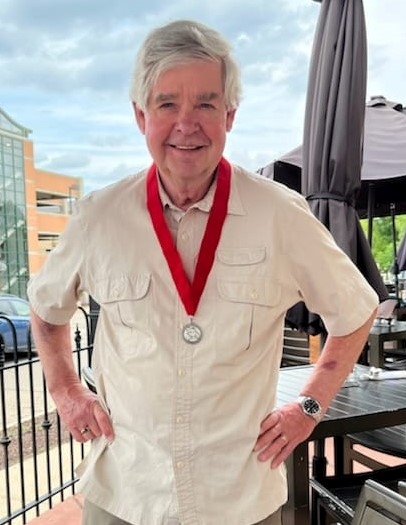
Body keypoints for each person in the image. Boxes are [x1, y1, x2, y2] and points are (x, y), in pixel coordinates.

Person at [27, 19, 378, 525]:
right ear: (140, 115)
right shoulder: (98, 219)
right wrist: (66, 391)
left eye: (206, 105)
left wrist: (309, 406)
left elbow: (356, 310)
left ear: (230, 114)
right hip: (126, 492)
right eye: (167, 104)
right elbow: (46, 309)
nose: (186, 124)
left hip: (239, 498)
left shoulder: (280, 214)